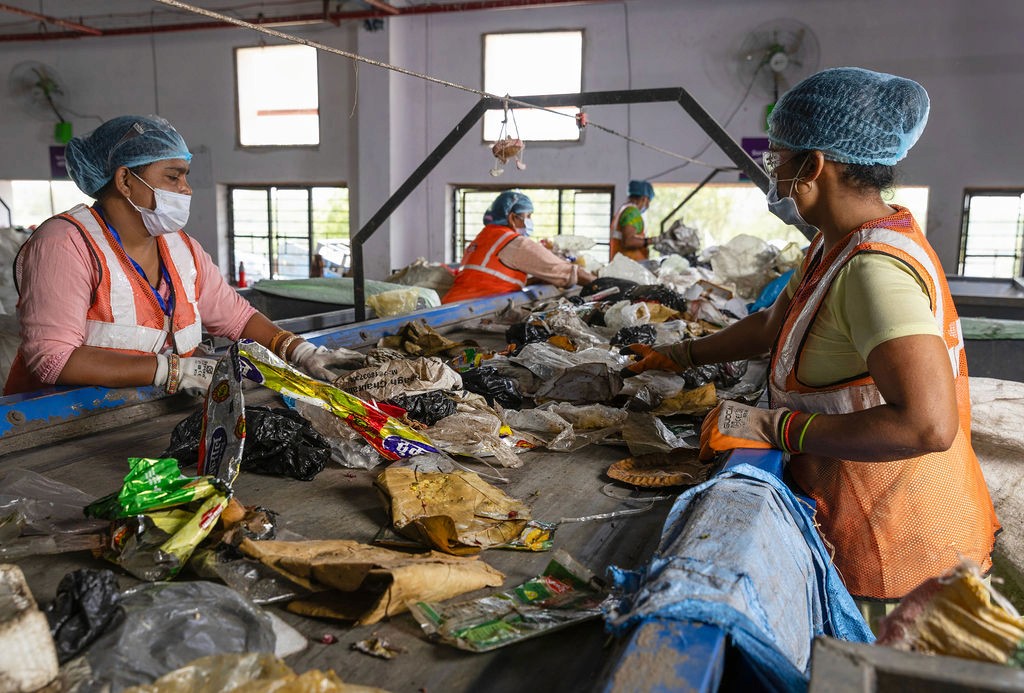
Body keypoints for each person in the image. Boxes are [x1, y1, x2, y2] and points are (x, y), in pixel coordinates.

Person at [622, 68, 999, 617]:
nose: (774, 175)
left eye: (777, 160)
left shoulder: (874, 271)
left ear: (813, 165)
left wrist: (775, 426)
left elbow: (928, 425)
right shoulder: (836, 245)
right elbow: (770, 324)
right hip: (860, 516)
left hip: (901, 554)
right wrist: (677, 355)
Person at [4, 115, 359, 396]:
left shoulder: (180, 247)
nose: (186, 189)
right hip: (58, 428)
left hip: (139, 419)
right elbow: (53, 361)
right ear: (125, 180)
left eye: (185, 176)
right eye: (173, 177)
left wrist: (300, 351)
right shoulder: (66, 244)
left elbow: (236, 318)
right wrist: (174, 371)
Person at [442, 191, 595, 303]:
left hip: (452, 305)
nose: (530, 221)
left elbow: (494, 279)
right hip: (474, 312)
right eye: (528, 216)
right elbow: (568, 273)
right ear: (512, 218)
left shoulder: (484, 237)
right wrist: (602, 283)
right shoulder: (515, 242)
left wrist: (538, 279)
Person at [609, 179, 656, 261]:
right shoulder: (632, 212)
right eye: (648, 201)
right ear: (644, 198)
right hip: (628, 265)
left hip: (621, 264)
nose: (648, 205)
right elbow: (628, 241)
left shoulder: (623, 209)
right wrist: (653, 240)